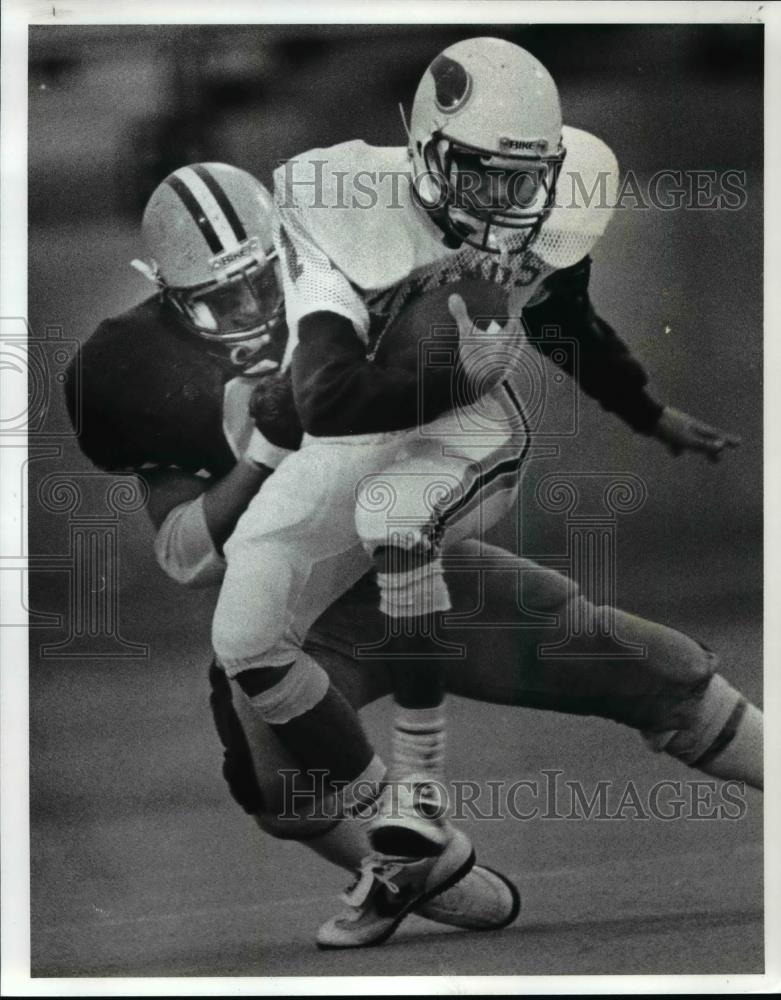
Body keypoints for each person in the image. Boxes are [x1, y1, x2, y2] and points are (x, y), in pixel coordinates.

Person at [69, 152, 762, 950]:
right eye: (225, 299)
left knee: (639, 663)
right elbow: (188, 557)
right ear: (167, 293)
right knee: (274, 786)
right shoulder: (130, 366)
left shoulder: (354, 273)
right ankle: (415, 863)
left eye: (267, 278)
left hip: (401, 560)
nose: (259, 307)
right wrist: (264, 450)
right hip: (301, 611)